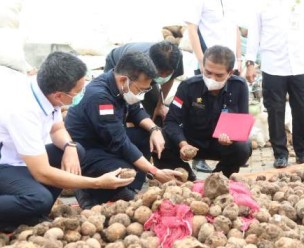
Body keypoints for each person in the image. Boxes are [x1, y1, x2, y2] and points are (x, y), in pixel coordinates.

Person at [0, 52, 134, 233]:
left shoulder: (42, 91)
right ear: (58, 95)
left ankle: (29, 216)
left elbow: (57, 129)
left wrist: (69, 147)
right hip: (6, 165)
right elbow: (42, 173)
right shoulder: (23, 111)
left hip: (23, 159)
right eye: (77, 93)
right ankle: (21, 211)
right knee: (39, 199)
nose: (79, 96)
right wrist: (97, 182)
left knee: (76, 150)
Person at [65, 51, 183, 209]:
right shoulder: (100, 97)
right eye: (140, 89)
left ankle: (127, 189)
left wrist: (155, 129)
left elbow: (136, 111)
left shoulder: (120, 85)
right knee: (125, 171)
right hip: (85, 150)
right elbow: (119, 142)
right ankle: (87, 191)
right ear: (123, 80)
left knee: (144, 136)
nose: (141, 94)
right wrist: (155, 171)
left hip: (105, 141)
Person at [245, 0, 304, 168]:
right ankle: (280, 154)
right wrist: (250, 63)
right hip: (273, 66)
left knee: (303, 109)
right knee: (275, 112)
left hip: (300, 64)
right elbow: (254, 33)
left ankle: (303, 152)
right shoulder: (261, 0)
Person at [153, 45, 252, 178]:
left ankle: (218, 178)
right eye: (208, 72)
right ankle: (185, 178)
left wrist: (231, 138)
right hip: (191, 141)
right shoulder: (188, 87)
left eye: (219, 75)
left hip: (220, 144)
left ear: (230, 73)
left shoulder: (239, 87)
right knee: (159, 139)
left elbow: (242, 124)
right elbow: (171, 121)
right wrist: (183, 144)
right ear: (202, 67)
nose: (212, 78)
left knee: (243, 147)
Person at [184, 0, 243, 173]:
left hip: (228, 63)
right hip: (210, 65)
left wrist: (239, 58)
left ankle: (231, 152)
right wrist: (202, 61)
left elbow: (235, 29)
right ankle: (198, 156)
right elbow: (192, 28)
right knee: (201, 112)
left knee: (231, 109)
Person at [104, 41, 183, 126]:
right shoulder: (137, 62)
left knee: (153, 114)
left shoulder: (175, 60)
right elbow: (130, 95)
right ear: (152, 66)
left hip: (146, 72)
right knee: (120, 107)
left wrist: (160, 105)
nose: (163, 77)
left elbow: (170, 79)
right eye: (160, 73)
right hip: (117, 64)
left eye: (167, 73)